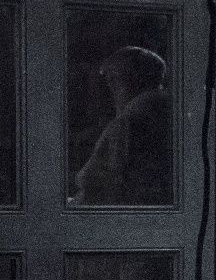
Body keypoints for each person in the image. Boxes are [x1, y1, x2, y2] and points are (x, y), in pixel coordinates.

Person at [72, 44, 171, 205]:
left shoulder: (130, 119)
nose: (110, 89)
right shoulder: (167, 110)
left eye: (113, 79)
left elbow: (95, 181)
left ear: (132, 79)